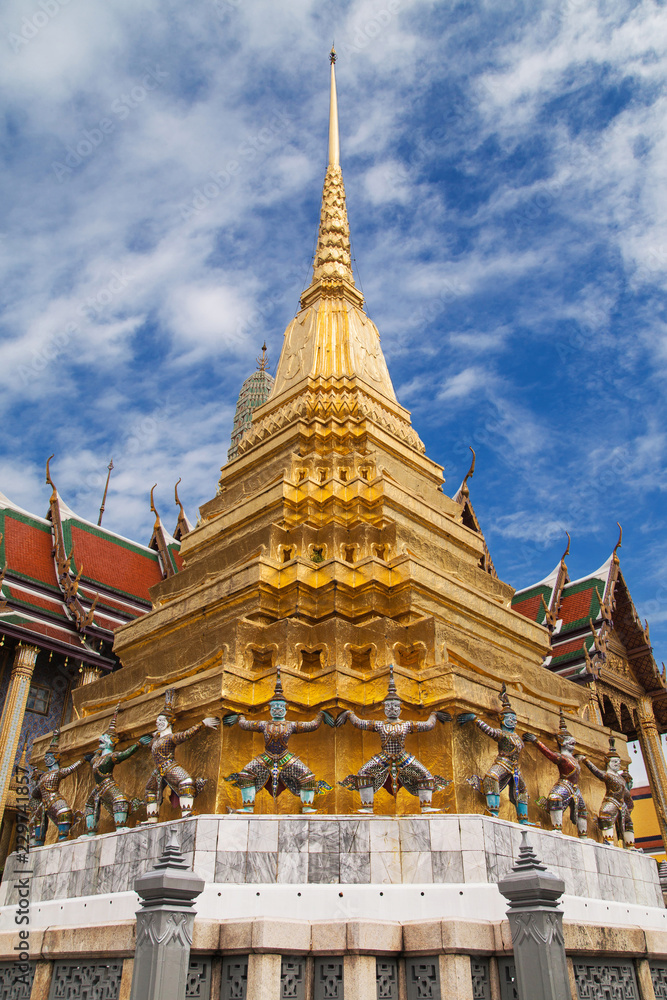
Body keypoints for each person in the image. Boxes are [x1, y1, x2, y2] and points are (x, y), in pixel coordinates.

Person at [338, 667, 451, 813]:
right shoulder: (380, 724)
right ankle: (367, 808)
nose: (392, 709)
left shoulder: (406, 724)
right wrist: (349, 713)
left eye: (396, 706)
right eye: (389, 706)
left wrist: (434, 715)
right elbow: (360, 723)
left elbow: (427, 726)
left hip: (402, 757)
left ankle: (426, 807)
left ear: (400, 709)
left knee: (425, 775)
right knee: (363, 774)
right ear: (384, 709)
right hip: (384, 756)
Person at [225, 668, 333, 813]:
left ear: (286, 710)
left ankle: (307, 807)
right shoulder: (264, 725)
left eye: (280, 707)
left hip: (285, 757)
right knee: (246, 774)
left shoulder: (290, 725)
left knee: (307, 776)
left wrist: (320, 715)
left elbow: (311, 726)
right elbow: (245, 725)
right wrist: (239, 717)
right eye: (274, 707)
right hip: (267, 756)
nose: (277, 709)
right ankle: (248, 807)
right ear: (269, 710)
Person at [458, 683, 530, 823]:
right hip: (502, 763)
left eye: (515, 719)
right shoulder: (502, 734)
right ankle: (493, 812)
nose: (513, 721)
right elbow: (489, 731)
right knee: (491, 778)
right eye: (510, 718)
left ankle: (523, 819)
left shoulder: (517, 737)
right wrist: (475, 719)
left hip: (514, 767)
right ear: (502, 720)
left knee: (522, 789)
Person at [144, 689, 219, 823]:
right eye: (157, 721)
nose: (158, 723)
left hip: (170, 766)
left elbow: (186, 735)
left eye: (161, 720)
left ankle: (186, 813)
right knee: (150, 789)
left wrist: (203, 723)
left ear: (168, 722)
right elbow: (151, 743)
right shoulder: (156, 739)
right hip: (158, 770)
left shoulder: (171, 738)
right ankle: (151, 819)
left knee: (186, 782)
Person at [84, 703, 151, 833]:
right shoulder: (97, 759)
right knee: (89, 805)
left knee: (120, 800)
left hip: (108, 784)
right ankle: (90, 831)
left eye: (105, 738)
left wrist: (138, 744)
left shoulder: (111, 756)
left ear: (112, 741)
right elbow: (93, 757)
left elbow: (124, 754)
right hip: (99, 788)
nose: (101, 739)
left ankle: (120, 827)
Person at [523, 709, 588, 836]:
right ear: (562, 742)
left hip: (575, 788)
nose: (573, 744)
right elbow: (550, 755)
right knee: (554, 798)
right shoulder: (562, 757)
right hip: (564, 785)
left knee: (582, 809)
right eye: (570, 741)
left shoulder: (573, 758)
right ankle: (557, 828)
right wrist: (536, 741)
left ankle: (583, 834)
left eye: (573, 742)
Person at [29, 729, 84, 845]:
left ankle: (63, 837)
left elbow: (70, 769)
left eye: (49, 757)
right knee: (37, 821)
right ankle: (37, 843)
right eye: (46, 757)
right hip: (44, 804)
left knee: (64, 813)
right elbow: (35, 793)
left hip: (54, 799)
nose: (46, 759)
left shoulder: (57, 772)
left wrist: (83, 760)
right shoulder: (44, 776)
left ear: (56, 757)